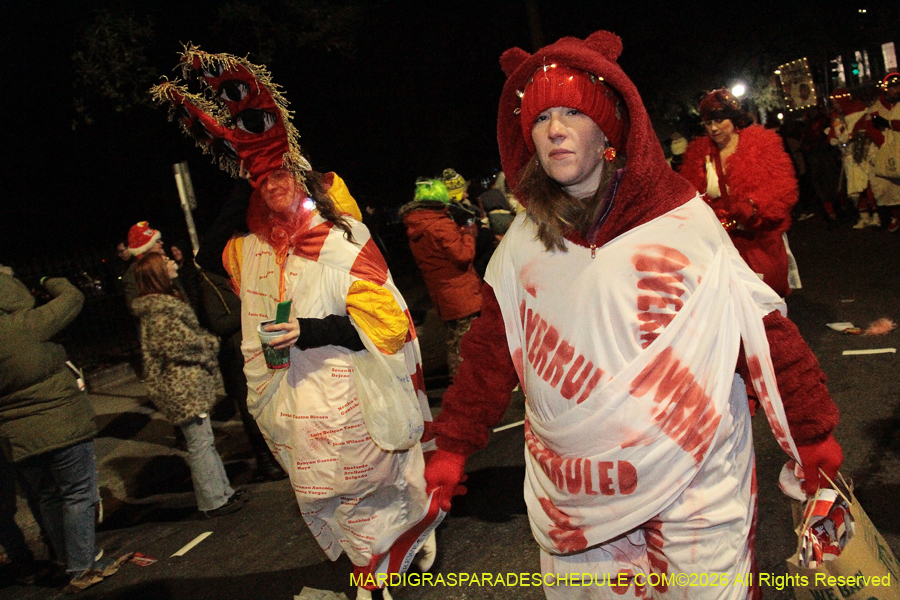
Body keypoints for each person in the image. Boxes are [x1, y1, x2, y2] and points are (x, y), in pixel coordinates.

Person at [423, 31, 843, 600]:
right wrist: (451, 445)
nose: (554, 128)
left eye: (572, 111)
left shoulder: (680, 222)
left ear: (609, 129)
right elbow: (490, 354)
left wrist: (812, 433)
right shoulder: (521, 245)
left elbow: (763, 333)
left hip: (693, 478)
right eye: (540, 117)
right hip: (581, 491)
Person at [152, 46, 440, 600]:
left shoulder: (343, 242)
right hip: (298, 402)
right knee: (325, 494)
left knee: (361, 489)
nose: (271, 189)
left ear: (307, 183)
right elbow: (210, 252)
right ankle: (392, 551)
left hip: (352, 392)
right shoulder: (257, 254)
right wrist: (248, 171)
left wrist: (311, 330)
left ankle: (378, 572)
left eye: (281, 178)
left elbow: (387, 327)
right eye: (262, 186)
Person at [0, 268, 128, 592]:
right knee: (79, 494)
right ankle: (83, 566)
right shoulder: (29, 325)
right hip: (60, 421)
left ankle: (68, 558)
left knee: (48, 497)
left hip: (17, 435)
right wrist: (45, 279)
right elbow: (73, 296)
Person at [131, 253, 245, 518]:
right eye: (166, 261)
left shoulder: (163, 304)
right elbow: (178, 345)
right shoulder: (159, 310)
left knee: (205, 441)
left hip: (186, 385)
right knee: (200, 444)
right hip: (181, 387)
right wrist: (210, 343)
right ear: (156, 272)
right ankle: (213, 501)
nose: (172, 262)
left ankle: (223, 493)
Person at [680, 89, 800, 297]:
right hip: (719, 243)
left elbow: (782, 187)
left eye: (719, 121)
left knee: (762, 297)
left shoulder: (762, 146)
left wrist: (752, 207)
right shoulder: (700, 154)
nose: (714, 128)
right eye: (708, 123)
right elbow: (689, 194)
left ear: (735, 119)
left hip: (756, 238)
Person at [197, 267, 287, 481]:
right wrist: (251, 309)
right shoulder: (211, 281)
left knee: (274, 401)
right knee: (252, 408)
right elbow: (219, 323)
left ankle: (280, 454)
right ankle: (265, 460)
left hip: (263, 344)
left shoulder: (246, 272)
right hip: (238, 355)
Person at [399, 179, 483, 379]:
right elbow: (462, 256)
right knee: (468, 344)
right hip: (462, 294)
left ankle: (460, 383)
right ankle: (466, 386)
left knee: (455, 342)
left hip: (442, 295)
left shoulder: (417, 225)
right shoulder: (440, 225)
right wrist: (469, 234)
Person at [855, 72, 900, 232]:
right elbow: (868, 126)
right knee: (888, 185)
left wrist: (889, 124)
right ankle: (896, 216)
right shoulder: (876, 107)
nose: (896, 90)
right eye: (893, 87)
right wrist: (882, 142)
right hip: (885, 150)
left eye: (898, 86)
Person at [827, 88, 875, 227]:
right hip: (847, 156)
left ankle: (876, 214)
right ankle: (864, 215)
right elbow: (832, 133)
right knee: (855, 187)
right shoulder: (836, 116)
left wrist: (852, 136)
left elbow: (865, 127)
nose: (835, 106)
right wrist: (833, 139)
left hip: (862, 153)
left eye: (836, 102)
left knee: (867, 183)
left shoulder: (859, 110)